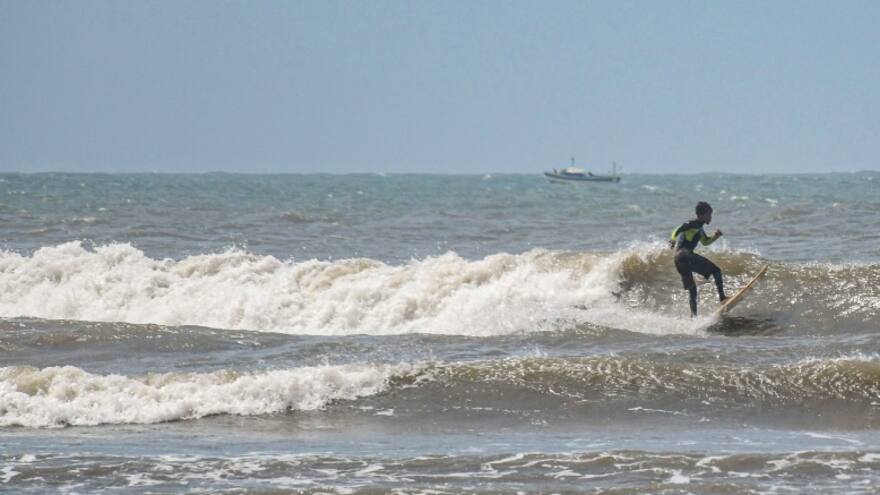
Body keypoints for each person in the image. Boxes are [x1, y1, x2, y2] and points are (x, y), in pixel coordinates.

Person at [669, 201, 727, 316]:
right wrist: (673, 239)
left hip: (678, 260)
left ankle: (693, 317)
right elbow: (678, 229)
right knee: (716, 271)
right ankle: (722, 298)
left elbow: (705, 242)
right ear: (701, 215)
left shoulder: (699, 229)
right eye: (709, 214)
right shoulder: (693, 224)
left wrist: (716, 236)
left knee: (693, 290)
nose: (710, 217)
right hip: (684, 255)